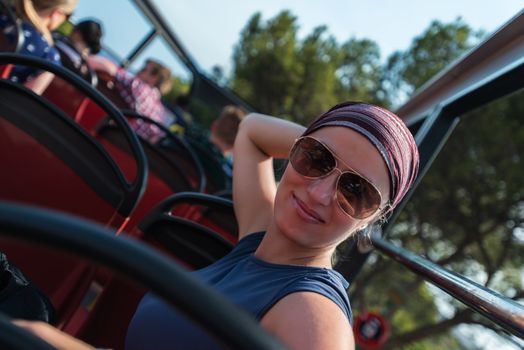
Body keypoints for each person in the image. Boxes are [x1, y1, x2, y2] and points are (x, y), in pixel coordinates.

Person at [15, 101, 419, 350]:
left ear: (373, 220)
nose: (319, 194)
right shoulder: (263, 236)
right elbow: (252, 131)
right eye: (315, 159)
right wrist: (344, 139)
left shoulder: (313, 316)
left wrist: (330, 147)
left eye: (357, 192)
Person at [87, 55, 173, 143]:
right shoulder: (160, 111)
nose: (139, 71)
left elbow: (111, 70)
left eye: (144, 69)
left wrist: (83, 58)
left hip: (109, 140)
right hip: (125, 149)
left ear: (153, 78)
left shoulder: (142, 89)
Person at [0, 0, 78, 94]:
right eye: (68, 16)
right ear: (56, 13)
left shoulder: (3, 16)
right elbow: (22, 103)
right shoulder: (48, 57)